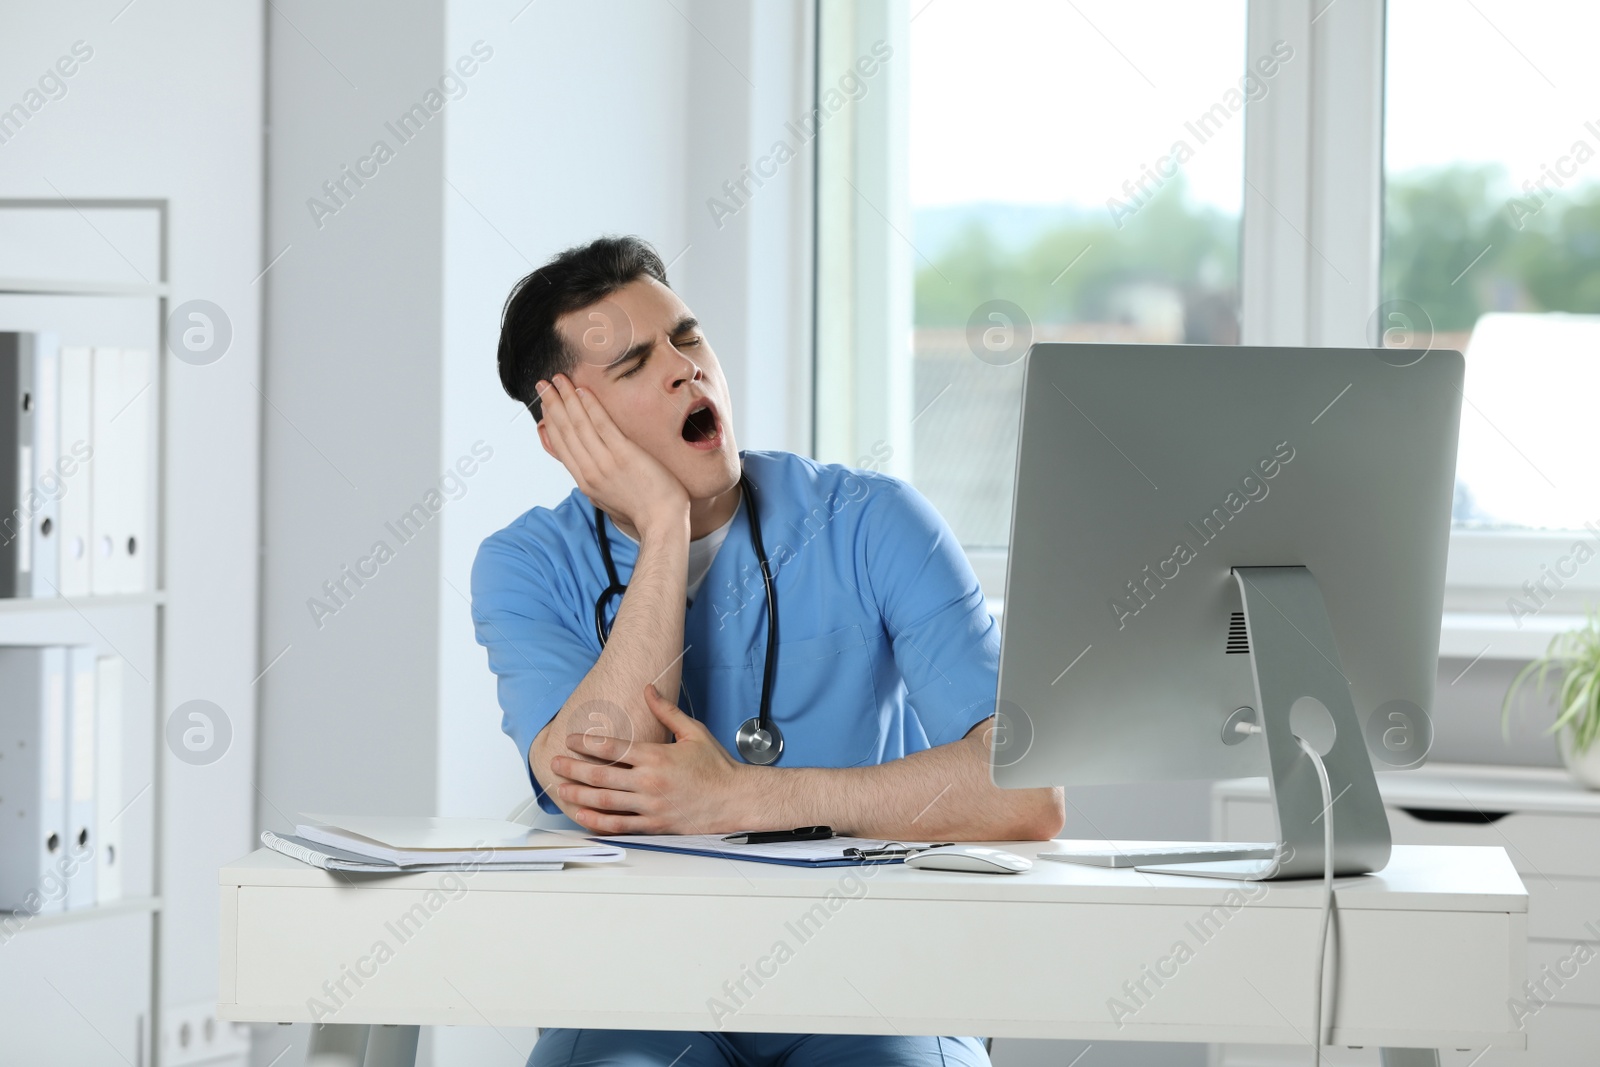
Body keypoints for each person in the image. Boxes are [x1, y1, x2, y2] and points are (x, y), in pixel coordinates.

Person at [471, 235, 1065, 1067]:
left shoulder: (872, 520)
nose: (686, 369)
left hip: (867, 985)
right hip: (635, 992)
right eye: (637, 363)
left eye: (687, 336)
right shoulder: (526, 565)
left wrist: (744, 799)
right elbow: (595, 783)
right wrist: (664, 524)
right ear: (568, 429)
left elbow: (1027, 788)